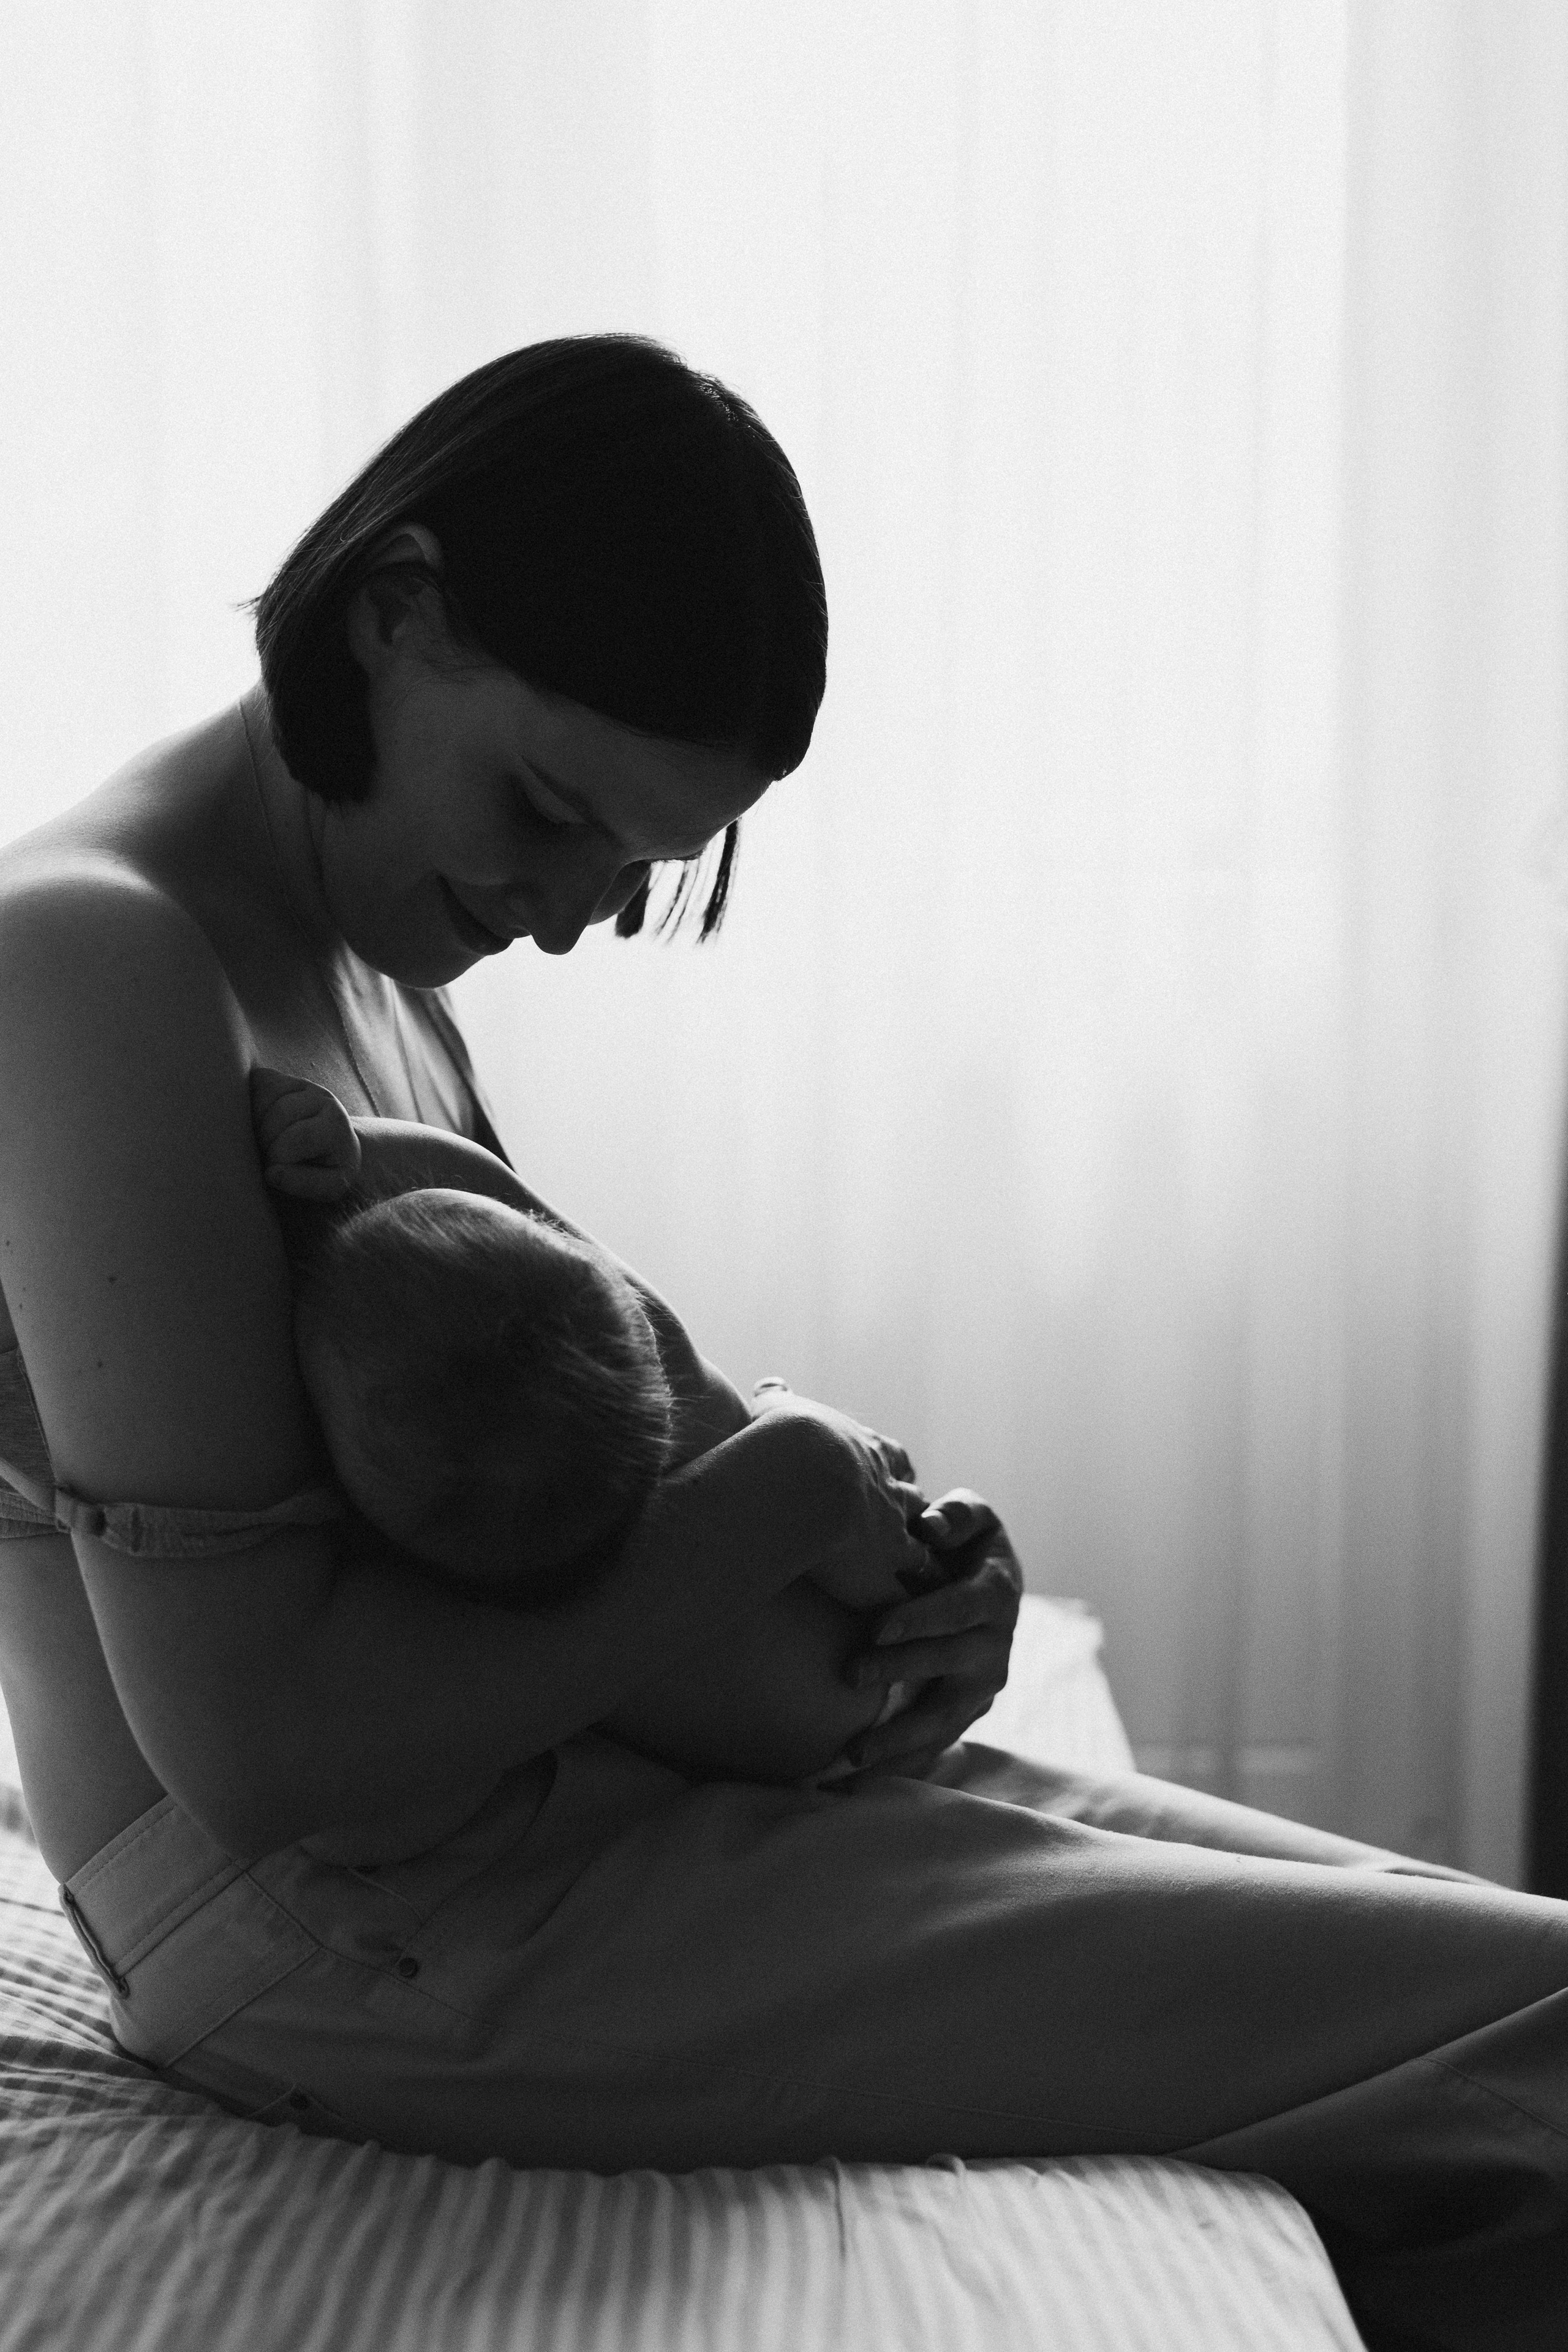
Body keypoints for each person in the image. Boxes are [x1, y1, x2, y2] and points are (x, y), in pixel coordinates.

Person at [0, 334, 1565, 2352]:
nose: (569, 914)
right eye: (549, 809)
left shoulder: (378, 984)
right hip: (363, 1935)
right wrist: (785, 1504)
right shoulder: (93, 961)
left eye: (635, 873)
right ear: (394, 611)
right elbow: (259, 1753)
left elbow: (551, 1472)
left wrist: (899, 1616)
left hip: (553, 1829)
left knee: (1516, 1994)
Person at [246, 1060, 918, 1815]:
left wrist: (331, 1143)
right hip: (858, 1699)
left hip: (860, 1657)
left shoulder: (477, 1543)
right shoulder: (628, 1562)